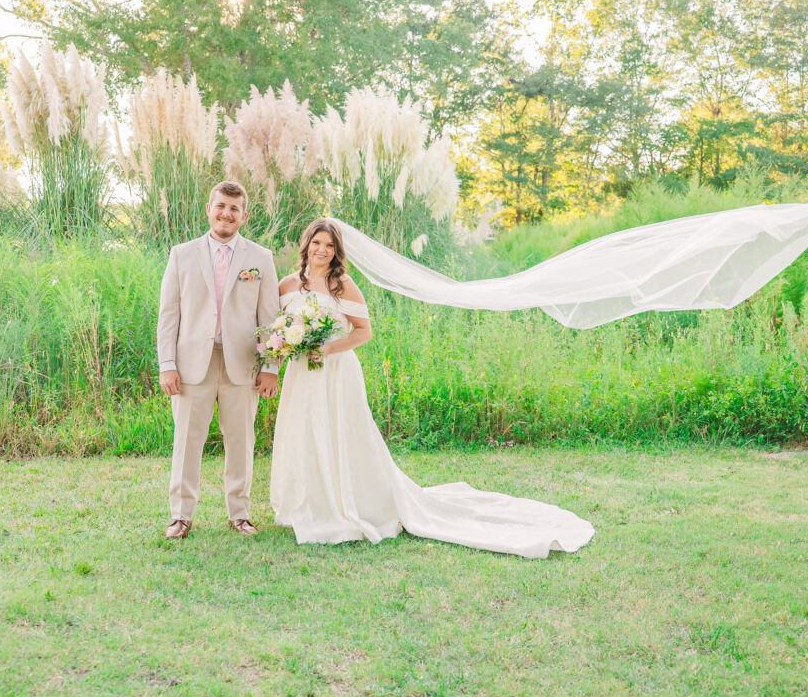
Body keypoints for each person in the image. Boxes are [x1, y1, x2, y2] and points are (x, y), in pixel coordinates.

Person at [269, 218, 596, 557]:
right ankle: (308, 504)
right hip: (302, 375)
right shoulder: (287, 285)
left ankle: (347, 503)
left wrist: (327, 348)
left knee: (342, 433)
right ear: (306, 244)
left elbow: (363, 332)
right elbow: (279, 329)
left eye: (330, 246)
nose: (322, 250)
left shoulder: (343, 285)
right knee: (304, 432)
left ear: (337, 252)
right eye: (317, 243)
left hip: (335, 372)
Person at [157, 181, 281, 539]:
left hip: (242, 363)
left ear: (244, 215)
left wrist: (271, 368)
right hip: (192, 362)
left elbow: (270, 318)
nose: (226, 214)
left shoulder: (261, 258)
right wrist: (167, 364)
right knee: (186, 441)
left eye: (234, 208)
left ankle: (239, 513)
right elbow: (168, 315)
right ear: (208, 208)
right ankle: (181, 515)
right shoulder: (182, 254)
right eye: (221, 206)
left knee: (241, 441)